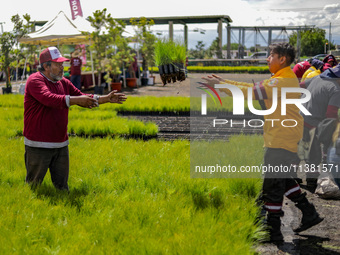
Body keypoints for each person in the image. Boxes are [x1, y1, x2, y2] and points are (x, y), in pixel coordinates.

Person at [202, 43, 323, 243]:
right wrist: (223, 81)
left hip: (281, 139)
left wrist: (222, 85)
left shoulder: (281, 81)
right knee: (281, 179)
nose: (267, 58)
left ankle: (273, 231)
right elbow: (252, 88)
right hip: (285, 136)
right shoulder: (281, 78)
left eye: (271, 55)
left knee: (272, 186)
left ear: (282, 59)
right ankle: (309, 212)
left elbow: (250, 94)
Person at [24, 46, 127, 190]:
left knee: (62, 188)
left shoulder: (63, 82)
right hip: (38, 144)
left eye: (62, 64)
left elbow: (81, 97)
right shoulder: (35, 80)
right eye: (58, 64)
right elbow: (49, 99)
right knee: (34, 187)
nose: (62, 68)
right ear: (46, 66)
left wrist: (106, 98)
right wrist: (75, 100)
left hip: (60, 144)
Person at [298, 64, 340, 191]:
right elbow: (331, 114)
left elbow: (300, 86)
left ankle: (291, 178)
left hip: (299, 117)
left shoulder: (317, 78)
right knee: (314, 155)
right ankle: (311, 181)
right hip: (313, 123)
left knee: (297, 151)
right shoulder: (336, 89)